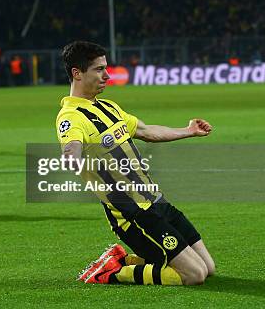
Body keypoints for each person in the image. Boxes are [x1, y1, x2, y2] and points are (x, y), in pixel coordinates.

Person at [56, 41, 215, 285]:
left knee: (208, 268)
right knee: (194, 275)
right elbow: (71, 146)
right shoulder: (71, 117)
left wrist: (188, 130)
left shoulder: (108, 107)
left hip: (156, 200)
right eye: (99, 69)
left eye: (106, 68)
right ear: (77, 73)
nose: (107, 75)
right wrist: (72, 157)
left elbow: (147, 130)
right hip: (132, 214)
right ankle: (112, 273)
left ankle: (124, 260)